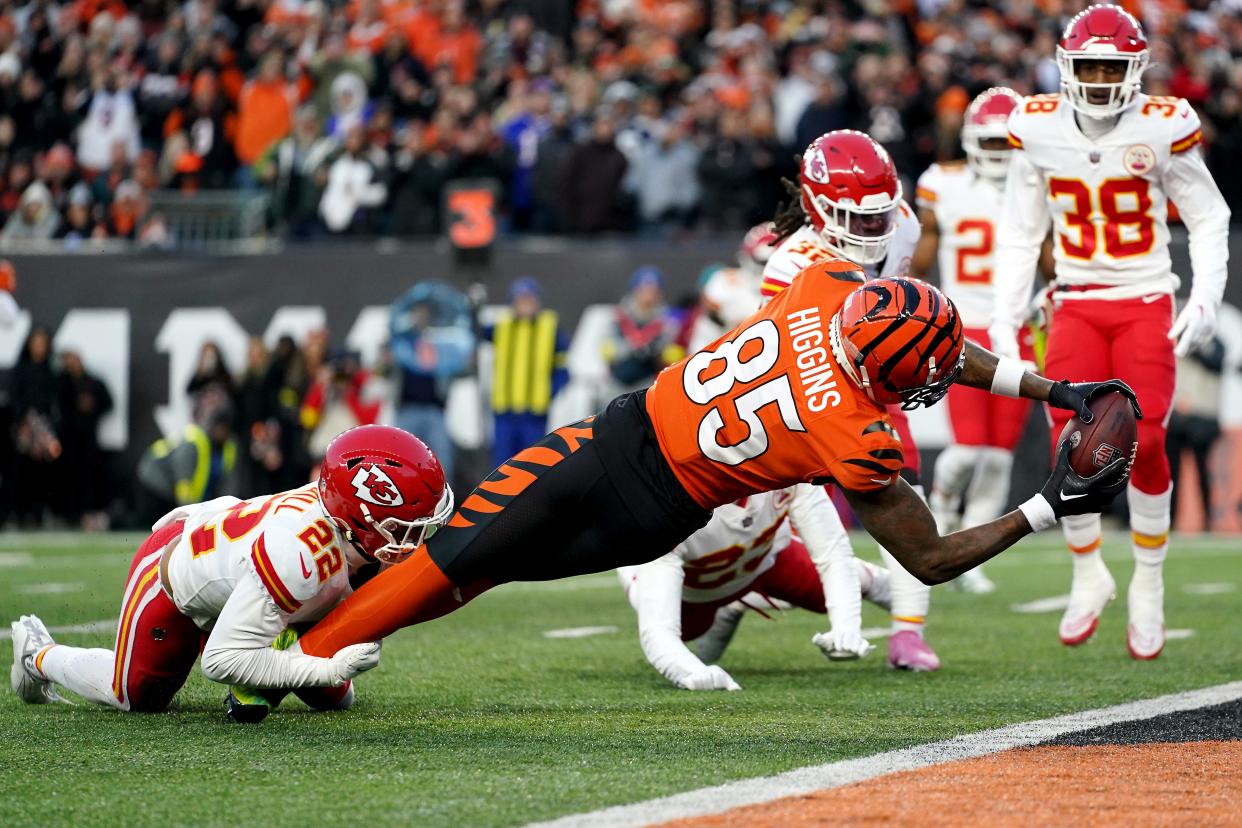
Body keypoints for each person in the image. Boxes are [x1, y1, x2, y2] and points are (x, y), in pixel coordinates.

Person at [287, 261, 1137, 678]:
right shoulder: (855, 428)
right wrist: (1047, 503)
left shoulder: (823, 287)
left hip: (619, 439)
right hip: (655, 512)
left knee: (460, 551)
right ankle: (321, 659)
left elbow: (935, 350)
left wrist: (1055, 389)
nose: (939, 378)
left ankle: (305, 656)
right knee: (476, 565)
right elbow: (932, 559)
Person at [990, 5, 1230, 660]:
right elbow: (1020, 227)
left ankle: (1148, 583)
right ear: (1066, 67)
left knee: (1146, 441)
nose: (1099, 78)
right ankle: (1087, 572)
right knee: (1066, 442)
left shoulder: (1163, 123)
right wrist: (1007, 315)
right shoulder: (1035, 126)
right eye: (1088, 65)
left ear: (1136, 69)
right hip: (1074, 300)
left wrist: (1205, 297)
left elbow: (1209, 216)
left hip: (1144, 297)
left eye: (1112, 66)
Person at [9, 426, 452, 719]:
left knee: (334, 700)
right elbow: (221, 660)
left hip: (247, 572)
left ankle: (274, 639)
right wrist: (323, 668)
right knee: (135, 695)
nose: (418, 537)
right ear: (361, 520)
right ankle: (37, 655)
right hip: (174, 582)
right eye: (407, 526)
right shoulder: (300, 557)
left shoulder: (336, 522)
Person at [762, 130, 939, 672]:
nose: (872, 227)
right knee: (770, 516)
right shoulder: (790, 264)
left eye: (878, 215)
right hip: (808, 390)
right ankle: (736, 593)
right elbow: (785, 358)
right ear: (818, 208)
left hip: (873, 381)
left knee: (905, 495)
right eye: (856, 217)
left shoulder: (902, 222)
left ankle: (908, 631)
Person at [912, 87, 1034, 595]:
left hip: (1018, 324)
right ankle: (940, 519)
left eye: (1007, 142)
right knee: (967, 447)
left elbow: (1048, 255)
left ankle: (972, 553)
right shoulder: (942, 183)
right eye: (991, 141)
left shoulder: (1036, 182)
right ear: (968, 139)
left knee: (1000, 455)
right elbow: (922, 252)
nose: (1000, 152)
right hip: (963, 324)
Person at [617, 485, 890, 691]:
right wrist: (689, 672)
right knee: (690, 637)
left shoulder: (786, 461)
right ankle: (729, 607)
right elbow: (659, 633)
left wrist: (848, 626)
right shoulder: (664, 506)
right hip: (695, 590)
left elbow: (833, 556)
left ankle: (904, 623)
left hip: (765, 559)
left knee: (852, 584)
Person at [389, 281, 476, 482]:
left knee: (442, 460)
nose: (421, 317)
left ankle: (445, 506)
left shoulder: (440, 346)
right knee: (399, 460)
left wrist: (466, 363)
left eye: (425, 314)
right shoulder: (403, 341)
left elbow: (459, 368)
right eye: (417, 313)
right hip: (406, 410)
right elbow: (385, 366)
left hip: (435, 411)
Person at [486, 277, 569, 469]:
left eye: (529, 299)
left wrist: (549, 393)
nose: (525, 305)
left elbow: (563, 369)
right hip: (505, 410)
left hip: (534, 413)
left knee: (532, 465)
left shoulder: (550, 328)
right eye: (520, 300)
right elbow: (475, 332)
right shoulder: (502, 326)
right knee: (501, 467)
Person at [55, 350, 113, 530]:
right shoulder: (62, 383)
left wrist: (92, 409)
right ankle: (69, 514)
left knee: (89, 475)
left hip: (88, 437)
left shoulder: (93, 382)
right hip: (68, 438)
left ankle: (87, 513)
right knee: (68, 476)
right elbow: (58, 405)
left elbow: (108, 402)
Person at [603, 266, 683, 393]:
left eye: (653, 291)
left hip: (647, 381)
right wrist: (628, 347)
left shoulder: (665, 321)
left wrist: (657, 351)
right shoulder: (620, 316)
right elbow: (608, 348)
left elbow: (670, 351)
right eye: (644, 290)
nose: (648, 296)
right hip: (617, 381)